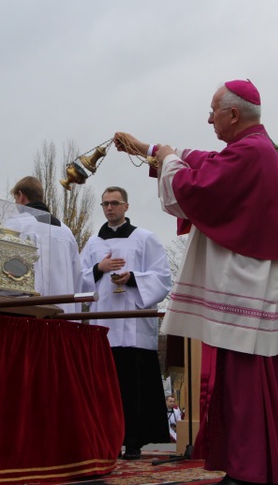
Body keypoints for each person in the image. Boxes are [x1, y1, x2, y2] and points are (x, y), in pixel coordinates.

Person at [114, 80, 278, 484]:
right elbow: (207, 160)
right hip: (257, 275)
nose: (209, 119)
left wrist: (168, 161)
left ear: (234, 115)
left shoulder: (251, 152)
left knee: (245, 373)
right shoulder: (258, 148)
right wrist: (150, 150)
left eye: (213, 111)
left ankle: (252, 467)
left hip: (248, 280)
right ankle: (271, 463)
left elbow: (196, 187)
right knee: (260, 374)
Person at [79, 186, 172, 460]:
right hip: (104, 325)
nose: (109, 208)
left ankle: (134, 442)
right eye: (105, 203)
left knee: (135, 389)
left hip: (133, 328)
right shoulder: (94, 243)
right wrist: (99, 269)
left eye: (115, 203)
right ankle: (108, 442)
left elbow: (162, 277)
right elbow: (78, 278)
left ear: (126, 206)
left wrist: (132, 277)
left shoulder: (145, 238)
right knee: (106, 389)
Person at [7, 176, 83, 313]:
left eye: (15, 199)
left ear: (21, 196)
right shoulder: (66, 233)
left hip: (25, 309)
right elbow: (77, 275)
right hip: (62, 310)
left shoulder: (16, 225)